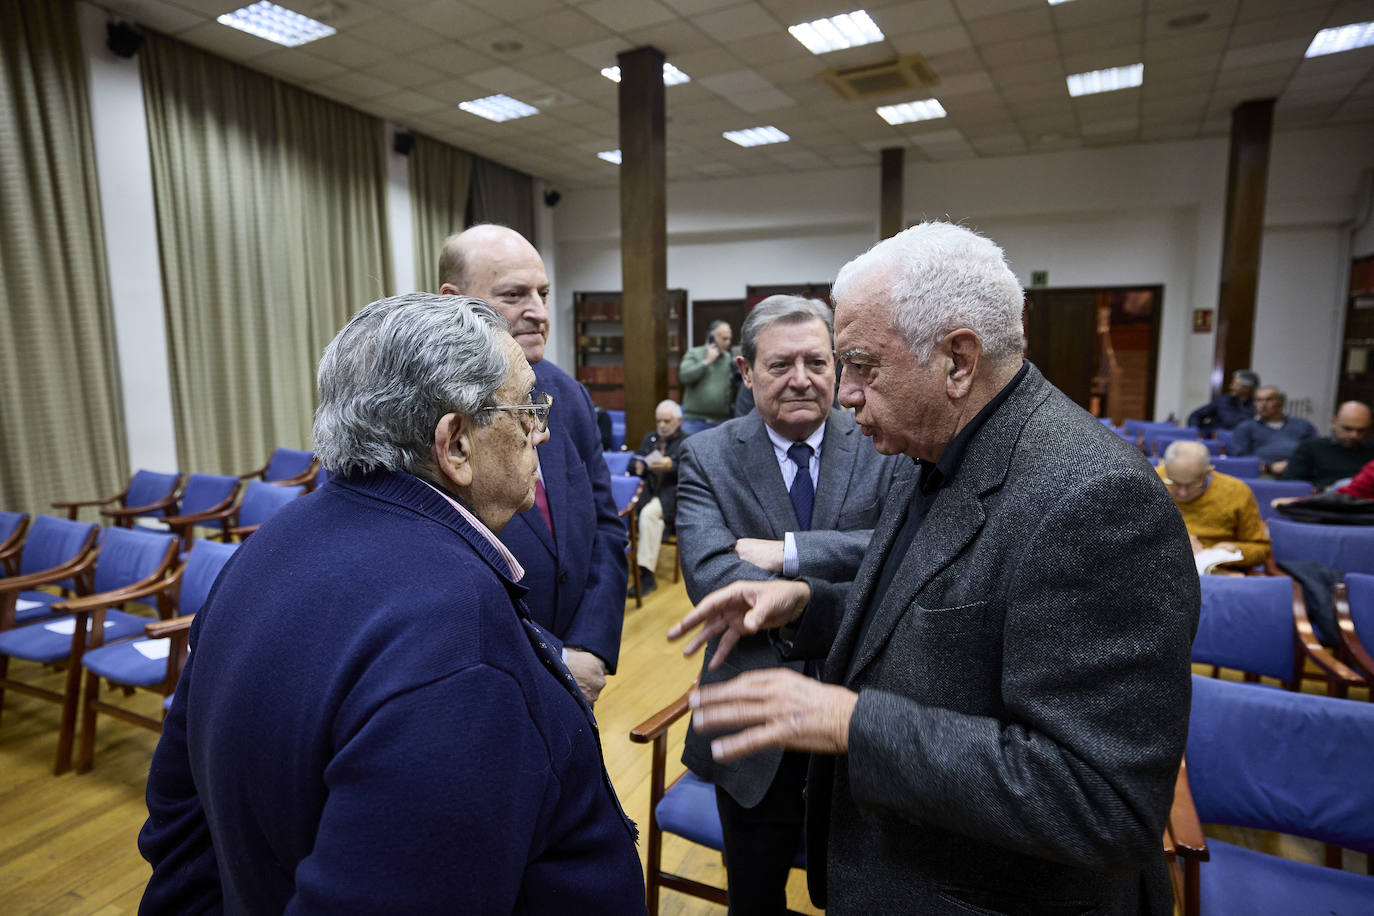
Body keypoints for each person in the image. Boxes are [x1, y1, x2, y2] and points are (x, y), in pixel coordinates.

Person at [669, 222, 1199, 916]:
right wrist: (808, 605)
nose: (846, 393)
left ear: (957, 360)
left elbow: (1100, 800)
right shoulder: (929, 449)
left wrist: (854, 725)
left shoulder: (1097, 499)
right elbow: (916, 610)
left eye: (861, 364)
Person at [138, 295, 645, 914]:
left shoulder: (266, 546)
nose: (540, 430)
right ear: (456, 443)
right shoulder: (461, 638)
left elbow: (178, 819)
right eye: (525, 409)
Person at [676, 294, 912, 915]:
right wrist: (847, 568)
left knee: (866, 894)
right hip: (754, 728)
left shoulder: (883, 440)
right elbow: (710, 577)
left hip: (865, 711)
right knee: (754, 898)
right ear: (747, 372)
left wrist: (789, 554)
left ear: (837, 368)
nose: (801, 379)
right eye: (780, 365)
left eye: (816, 361)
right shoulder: (708, 455)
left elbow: (903, 553)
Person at [439, 224, 626, 704]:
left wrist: (589, 648)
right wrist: (552, 657)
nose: (539, 313)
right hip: (484, 680)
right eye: (514, 295)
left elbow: (606, 528)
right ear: (453, 301)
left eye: (543, 293)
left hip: (581, 679)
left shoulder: (568, 395)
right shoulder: (424, 416)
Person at [1156, 440, 1269, 568]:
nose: (1183, 493)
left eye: (1193, 485)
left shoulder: (1236, 491)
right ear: (1165, 468)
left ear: (1208, 471)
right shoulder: (1149, 482)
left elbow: (1262, 549)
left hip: (1217, 569)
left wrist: (1236, 549)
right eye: (1173, 483)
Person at [629, 398, 688, 596]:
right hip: (647, 492)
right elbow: (634, 462)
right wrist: (638, 467)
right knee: (626, 510)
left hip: (671, 496)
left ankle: (646, 575)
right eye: (659, 421)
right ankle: (625, 564)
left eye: (666, 421)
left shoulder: (686, 442)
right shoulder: (650, 438)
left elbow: (692, 471)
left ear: (678, 421)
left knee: (648, 515)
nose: (661, 426)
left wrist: (672, 466)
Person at [1281, 400, 1374, 490]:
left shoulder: (1371, 451)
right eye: (1348, 429)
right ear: (1333, 422)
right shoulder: (1311, 448)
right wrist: (1321, 490)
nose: (1354, 435)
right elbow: (1290, 485)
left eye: (1361, 430)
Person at [1227, 386, 1317, 474]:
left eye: (1269, 400)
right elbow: (1241, 458)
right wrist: (1269, 467)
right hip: (1264, 473)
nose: (1263, 404)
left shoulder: (1303, 425)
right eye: (1259, 400)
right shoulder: (1246, 427)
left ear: (1281, 402)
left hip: (1300, 471)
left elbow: (1315, 452)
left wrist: (1294, 465)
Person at [680, 320, 734, 423]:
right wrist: (706, 362)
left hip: (721, 420)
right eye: (724, 339)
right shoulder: (694, 353)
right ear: (711, 338)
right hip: (694, 420)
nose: (728, 343)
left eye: (729, 339)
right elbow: (684, 377)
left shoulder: (728, 358)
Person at [1187, 369, 1258, 432]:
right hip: (1216, 440)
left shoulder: (1257, 405)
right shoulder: (1222, 401)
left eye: (1235, 385)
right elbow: (1195, 416)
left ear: (1247, 389)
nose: (1231, 387)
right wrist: (1196, 432)